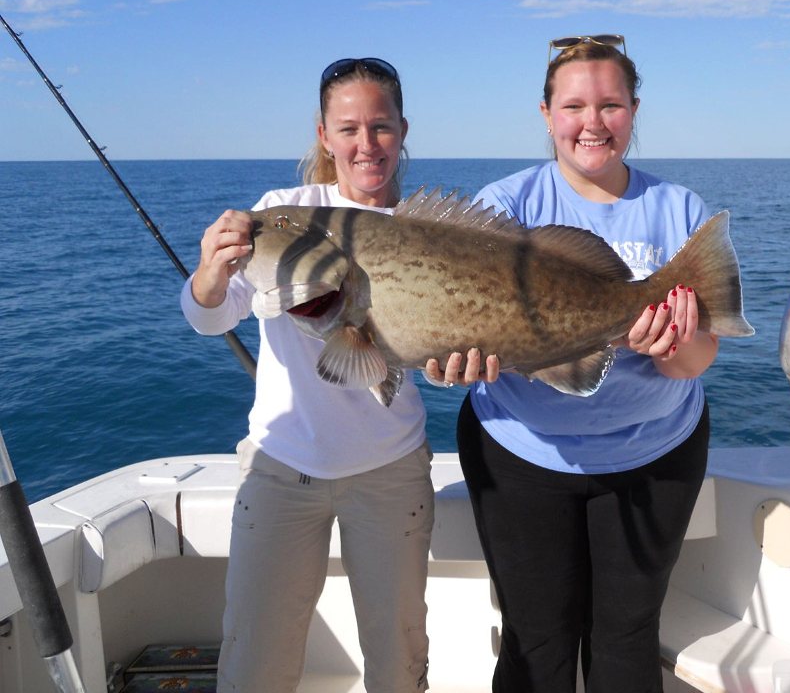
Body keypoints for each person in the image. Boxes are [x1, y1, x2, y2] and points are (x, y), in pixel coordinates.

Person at [180, 57, 490, 693]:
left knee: (399, 658)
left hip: (392, 470)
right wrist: (211, 274)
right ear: (324, 135)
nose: (365, 144)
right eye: (347, 128)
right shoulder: (283, 214)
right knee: (254, 660)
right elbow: (209, 318)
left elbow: (432, 356)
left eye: (379, 126)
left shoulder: (430, 231)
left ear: (403, 130)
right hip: (280, 470)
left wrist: (459, 366)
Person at [451, 35, 720, 693]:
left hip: (655, 456)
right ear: (546, 114)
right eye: (573, 106)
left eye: (611, 105)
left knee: (626, 641)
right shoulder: (505, 206)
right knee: (535, 639)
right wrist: (452, 358)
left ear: (634, 109)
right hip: (521, 456)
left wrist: (672, 346)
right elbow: (469, 321)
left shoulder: (680, 209)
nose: (593, 123)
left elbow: (696, 361)